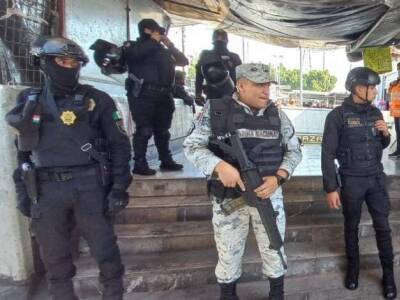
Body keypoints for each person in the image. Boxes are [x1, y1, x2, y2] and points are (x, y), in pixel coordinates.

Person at [5, 36, 132, 300]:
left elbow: (120, 146)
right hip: (45, 189)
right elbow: (24, 152)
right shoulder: (30, 100)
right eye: (62, 61)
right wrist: (22, 191)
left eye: (74, 62)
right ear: (45, 63)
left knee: (106, 251)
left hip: (90, 187)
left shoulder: (97, 100)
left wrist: (119, 187)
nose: (68, 66)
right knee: (55, 259)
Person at [183, 63, 302, 300]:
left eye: (268, 85)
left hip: (268, 196)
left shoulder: (277, 114)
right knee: (228, 253)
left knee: (274, 249)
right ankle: (228, 295)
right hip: (230, 198)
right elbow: (192, 145)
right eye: (259, 85)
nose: (266, 90)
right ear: (241, 85)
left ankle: (277, 294)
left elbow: (294, 151)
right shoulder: (216, 111)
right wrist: (219, 166)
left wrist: (279, 177)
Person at [321, 67, 396, 299]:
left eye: (375, 87)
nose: (375, 91)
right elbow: (327, 154)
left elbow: (380, 146)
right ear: (357, 88)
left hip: (375, 179)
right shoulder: (337, 116)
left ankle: (389, 276)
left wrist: (386, 135)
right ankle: (353, 269)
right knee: (351, 227)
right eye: (371, 87)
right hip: (351, 180)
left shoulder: (376, 113)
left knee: (383, 227)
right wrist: (331, 187)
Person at [124, 18, 189, 175]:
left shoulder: (163, 50)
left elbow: (183, 61)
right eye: (157, 31)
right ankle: (140, 163)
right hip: (143, 94)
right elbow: (135, 55)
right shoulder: (134, 46)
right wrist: (153, 40)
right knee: (144, 130)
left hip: (164, 94)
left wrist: (170, 45)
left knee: (163, 131)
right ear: (147, 30)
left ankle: (166, 160)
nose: (160, 34)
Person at [195, 29, 242, 105]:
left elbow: (242, 78)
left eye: (222, 38)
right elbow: (199, 76)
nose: (219, 40)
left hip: (231, 96)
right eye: (217, 38)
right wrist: (198, 93)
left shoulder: (234, 57)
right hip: (213, 95)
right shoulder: (206, 55)